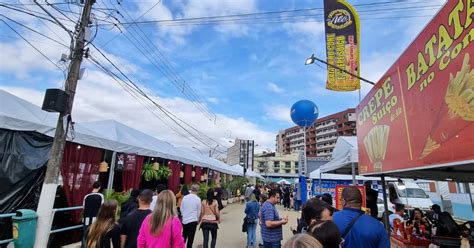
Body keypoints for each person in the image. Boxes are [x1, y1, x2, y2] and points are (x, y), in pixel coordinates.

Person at [83, 181, 104, 247]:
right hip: (96, 219)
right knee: (94, 236)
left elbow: (84, 207)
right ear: (99, 187)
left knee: (85, 234)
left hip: (86, 218)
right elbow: (102, 208)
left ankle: (84, 246)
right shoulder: (100, 196)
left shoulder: (86, 196)